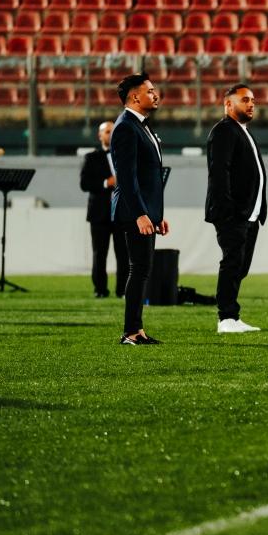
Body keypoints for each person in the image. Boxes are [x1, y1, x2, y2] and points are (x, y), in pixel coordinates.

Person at [110, 73, 169, 345]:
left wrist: (156, 214)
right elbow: (127, 177)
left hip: (145, 211)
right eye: (150, 90)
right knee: (139, 268)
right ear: (135, 96)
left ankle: (137, 330)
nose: (156, 94)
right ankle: (131, 331)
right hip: (133, 212)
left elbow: (149, 177)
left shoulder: (141, 125)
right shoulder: (125, 127)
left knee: (142, 268)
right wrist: (140, 214)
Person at [205, 83, 267, 334]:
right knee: (232, 262)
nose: (251, 104)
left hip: (249, 213)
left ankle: (232, 314)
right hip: (233, 213)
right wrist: (228, 209)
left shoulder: (242, 131)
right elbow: (220, 173)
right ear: (228, 104)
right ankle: (226, 318)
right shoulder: (223, 131)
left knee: (241, 266)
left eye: (253, 100)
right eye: (245, 100)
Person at [79, 120, 128, 299]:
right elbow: (84, 184)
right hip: (99, 214)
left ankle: (122, 290)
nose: (110, 134)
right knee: (99, 254)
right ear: (99, 135)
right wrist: (106, 182)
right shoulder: (91, 157)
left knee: (123, 254)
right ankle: (100, 289)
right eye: (107, 131)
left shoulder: (125, 156)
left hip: (122, 212)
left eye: (113, 131)